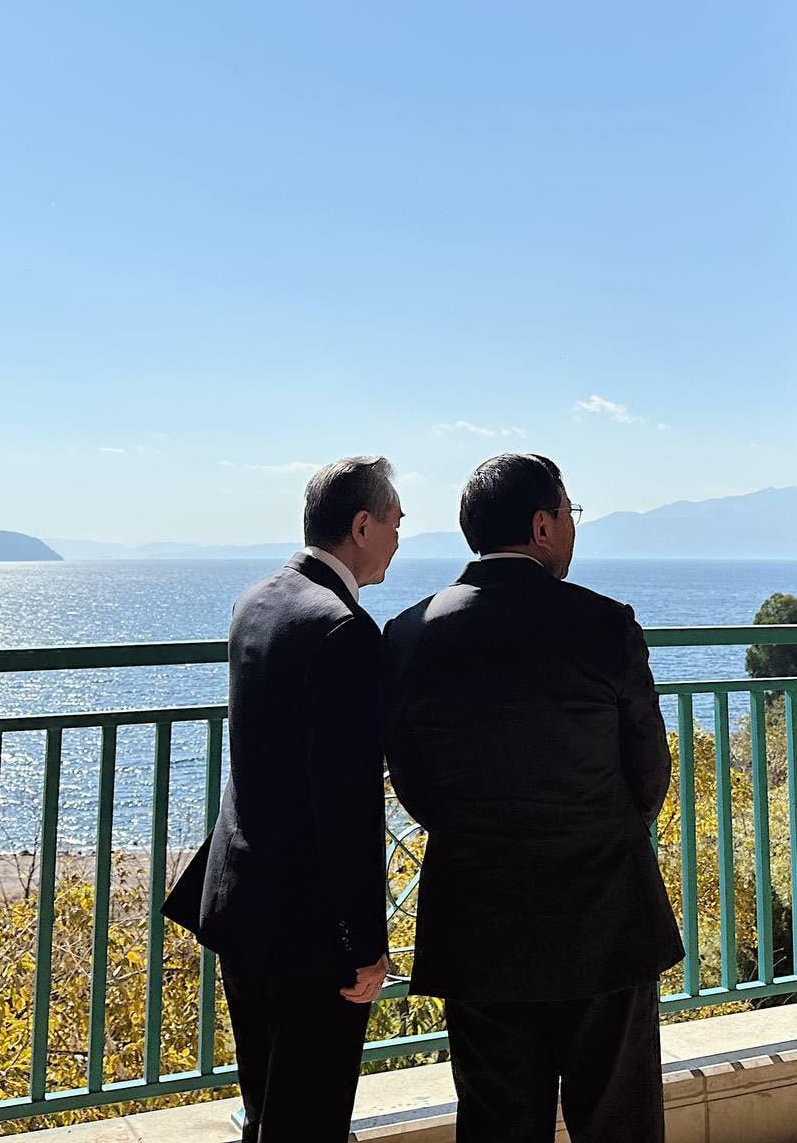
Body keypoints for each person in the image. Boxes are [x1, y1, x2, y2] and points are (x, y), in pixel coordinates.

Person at [384, 453, 683, 1143]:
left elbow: (413, 781)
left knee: (496, 1121)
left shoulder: (409, 634)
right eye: (570, 513)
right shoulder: (604, 624)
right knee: (619, 1121)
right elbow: (648, 773)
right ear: (543, 525)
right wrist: (600, 828)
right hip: (603, 916)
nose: (573, 528)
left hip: (477, 921)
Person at [163, 455, 402, 1142]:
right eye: (395, 522)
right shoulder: (345, 630)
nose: (399, 537)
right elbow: (347, 805)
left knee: (267, 1108)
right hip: (309, 926)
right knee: (311, 1119)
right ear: (362, 525)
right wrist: (367, 943)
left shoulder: (257, 600)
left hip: (240, 900)